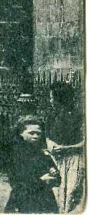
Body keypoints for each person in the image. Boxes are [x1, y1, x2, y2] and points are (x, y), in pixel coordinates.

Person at [5, 116, 60, 213]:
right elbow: (16, 183)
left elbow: (57, 180)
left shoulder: (42, 153)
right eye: (31, 133)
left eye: (38, 133)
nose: (35, 136)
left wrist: (54, 173)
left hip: (45, 200)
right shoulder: (15, 154)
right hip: (24, 200)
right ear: (21, 133)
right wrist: (41, 180)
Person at [46, 82, 84, 212]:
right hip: (56, 160)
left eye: (52, 97)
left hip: (74, 160)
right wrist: (51, 145)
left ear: (59, 98)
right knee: (56, 193)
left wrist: (67, 148)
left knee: (71, 194)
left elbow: (85, 142)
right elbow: (47, 136)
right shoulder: (51, 116)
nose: (50, 100)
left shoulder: (78, 116)